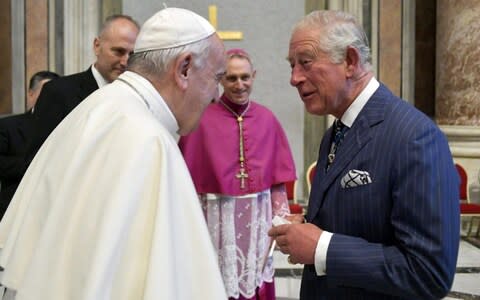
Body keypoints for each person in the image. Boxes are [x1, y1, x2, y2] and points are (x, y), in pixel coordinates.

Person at [0, 7, 227, 300]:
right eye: (216, 78)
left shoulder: (100, 107)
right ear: (184, 68)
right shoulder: (148, 140)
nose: (216, 95)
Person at [268, 10, 460, 299]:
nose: (294, 78)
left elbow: (428, 272)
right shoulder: (335, 132)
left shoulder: (414, 136)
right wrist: (307, 229)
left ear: (350, 61)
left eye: (305, 63)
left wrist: (322, 248)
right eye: (292, 65)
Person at [178, 48, 297, 300]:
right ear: (221, 79)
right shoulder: (201, 120)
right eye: (231, 78)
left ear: (254, 76)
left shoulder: (267, 119)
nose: (239, 84)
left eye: (245, 77)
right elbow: (190, 186)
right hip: (217, 220)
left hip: (257, 220)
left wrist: (280, 219)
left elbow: (277, 183)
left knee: (255, 281)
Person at [24, 14, 140, 168]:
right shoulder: (58, 92)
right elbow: (38, 160)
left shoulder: (138, 97)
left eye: (132, 54)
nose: (125, 61)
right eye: (118, 51)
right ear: (97, 46)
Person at [0, 71, 59, 218]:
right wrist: (36, 164)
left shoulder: (69, 127)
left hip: (54, 210)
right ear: (31, 94)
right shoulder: (8, 126)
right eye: (46, 93)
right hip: (14, 209)